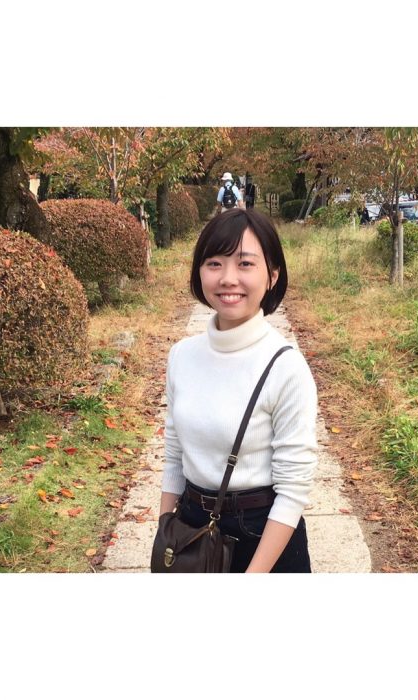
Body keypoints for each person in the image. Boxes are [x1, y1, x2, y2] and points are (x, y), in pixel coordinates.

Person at [159, 208, 318, 573]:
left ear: (272, 275)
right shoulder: (182, 355)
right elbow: (174, 453)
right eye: (214, 263)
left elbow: (293, 488)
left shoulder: (286, 367)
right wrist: (165, 530)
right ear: (199, 272)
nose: (228, 278)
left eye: (245, 264)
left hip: (263, 535)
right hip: (191, 526)